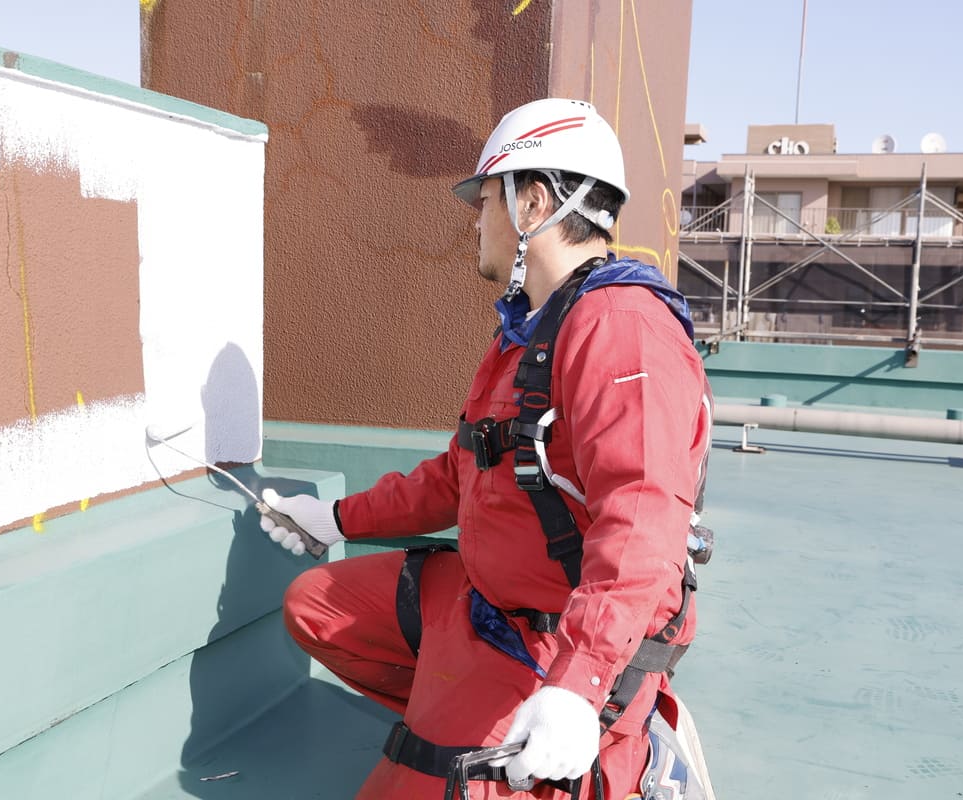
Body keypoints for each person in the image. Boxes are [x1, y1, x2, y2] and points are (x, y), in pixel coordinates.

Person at [260, 97, 713, 799]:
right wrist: (337, 519)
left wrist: (578, 686)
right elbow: (458, 473)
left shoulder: (622, 327)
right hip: (487, 604)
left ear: (533, 204)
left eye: (486, 198)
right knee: (316, 605)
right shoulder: (530, 331)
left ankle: (610, 753)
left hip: (558, 639)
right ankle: (474, 722)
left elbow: (643, 523)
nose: (476, 219)